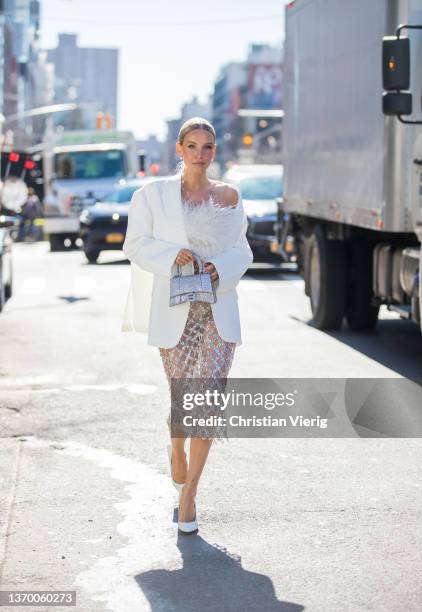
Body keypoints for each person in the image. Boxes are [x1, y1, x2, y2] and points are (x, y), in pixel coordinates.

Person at [121, 117, 253, 534]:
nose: (200, 154)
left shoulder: (229, 196)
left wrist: (221, 268)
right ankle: (175, 446)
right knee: (182, 397)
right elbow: (135, 245)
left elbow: (242, 249)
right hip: (175, 309)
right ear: (179, 149)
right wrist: (172, 254)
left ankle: (189, 494)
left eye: (208, 147)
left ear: (215, 152)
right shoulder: (153, 195)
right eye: (192, 146)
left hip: (217, 307)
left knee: (206, 402)